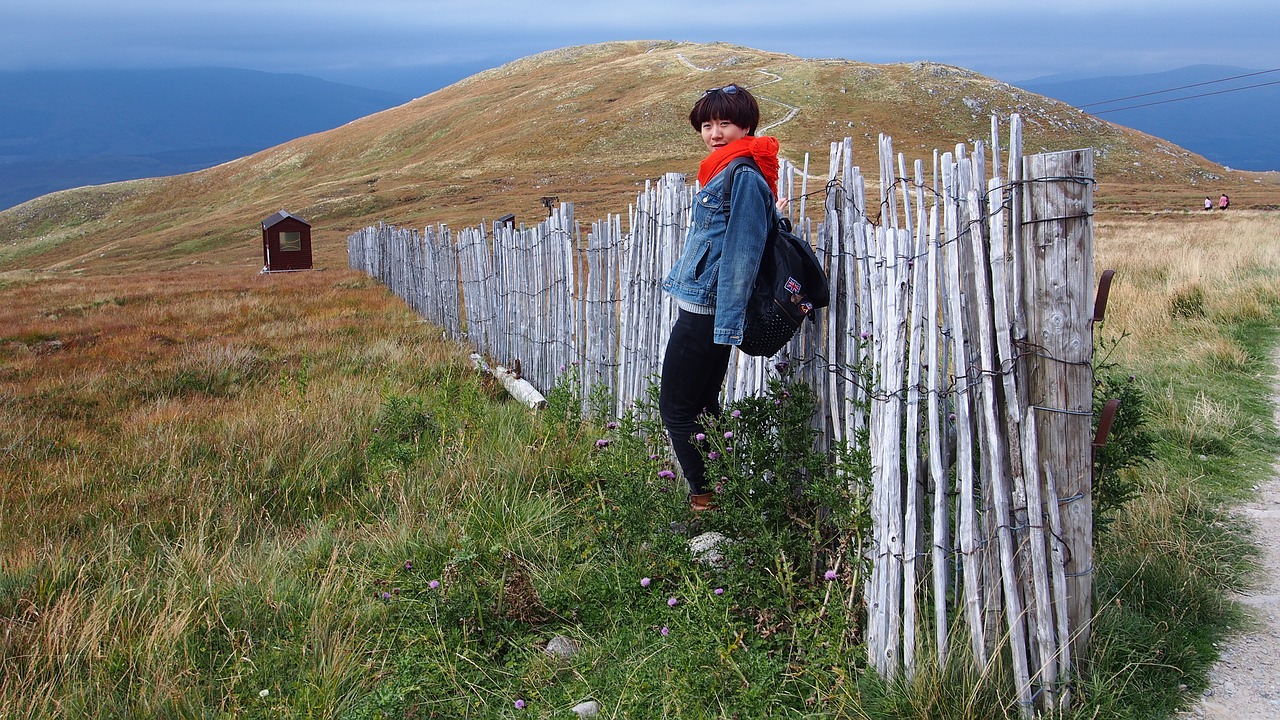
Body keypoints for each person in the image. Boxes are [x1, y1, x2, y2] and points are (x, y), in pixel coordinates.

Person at [659, 83, 780, 513]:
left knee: (676, 410)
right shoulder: (725, 168)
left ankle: (703, 502)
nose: (714, 133)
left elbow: (744, 252)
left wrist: (726, 324)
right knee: (705, 407)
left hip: (708, 311)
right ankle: (723, 492)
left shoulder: (743, 174)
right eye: (707, 125)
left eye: (724, 123)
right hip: (705, 306)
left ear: (746, 125)